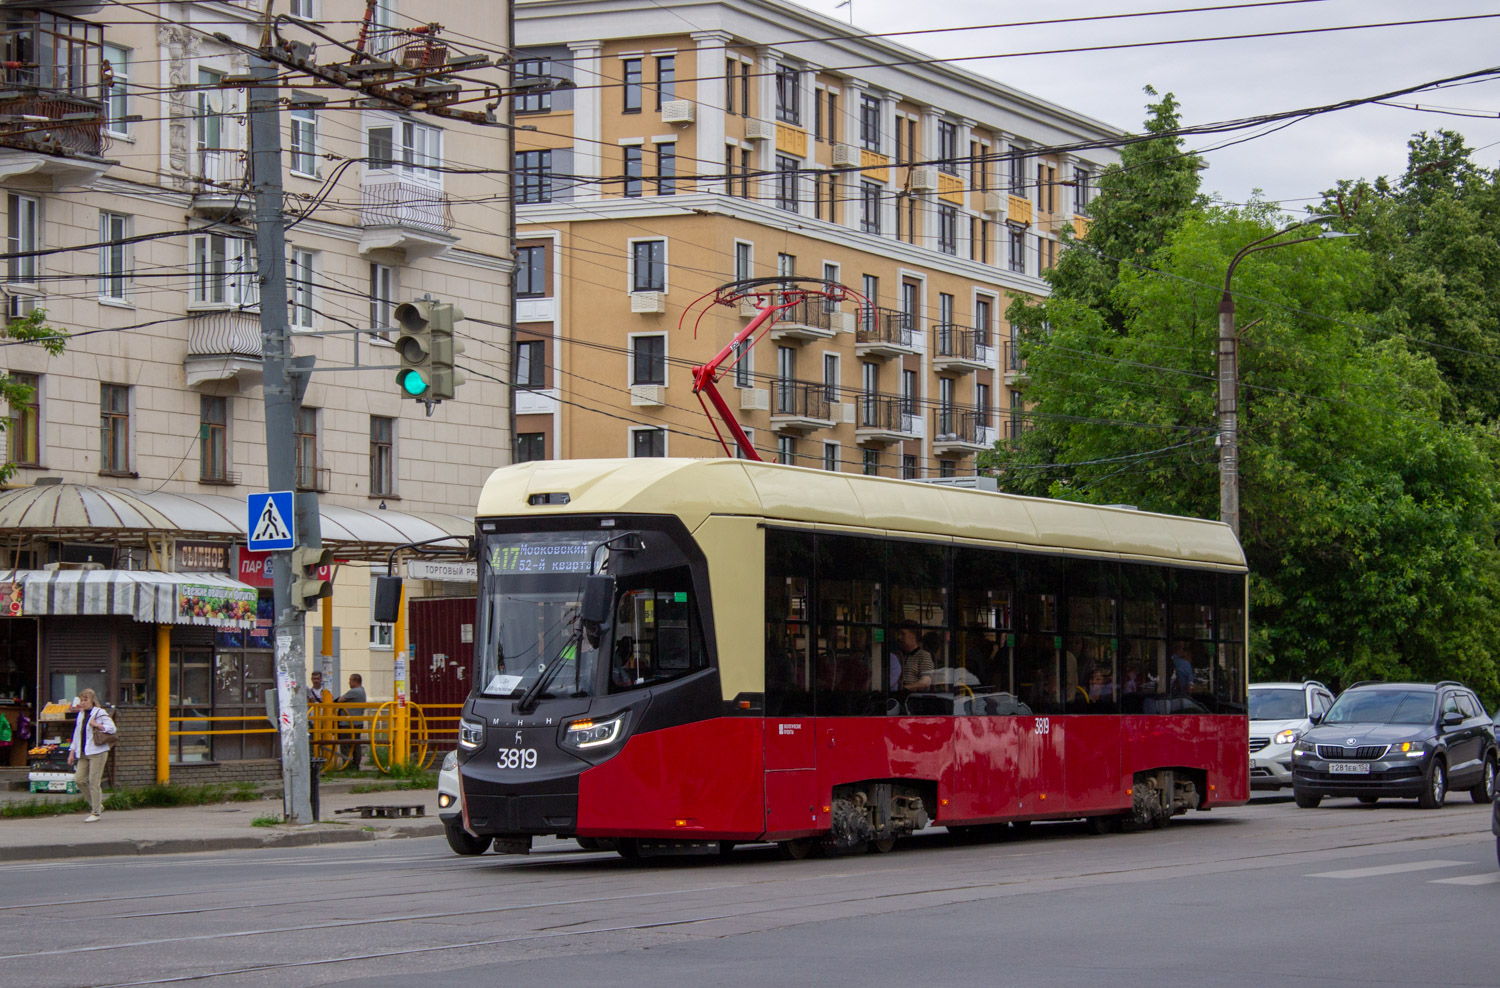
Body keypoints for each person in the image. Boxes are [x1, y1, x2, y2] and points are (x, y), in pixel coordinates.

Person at [68, 689, 115, 822]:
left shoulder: (99, 713)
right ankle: (97, 804)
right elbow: (77, 734)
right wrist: (72, 752)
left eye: (85, 700)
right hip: (83, 752)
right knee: (79, 779)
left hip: (97, 751)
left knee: (94, 781)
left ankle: (95, 812)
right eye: (81, 700)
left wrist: (98, 725)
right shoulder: (81, 714)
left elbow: (112, 728)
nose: (83, 703)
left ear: (92, 700)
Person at [338, 674, 367, 770]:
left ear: (355, 681)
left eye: (350, 680)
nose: (349, 682)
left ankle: (347, 764)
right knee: (356, 743)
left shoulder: (354, 691)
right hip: (358, 722)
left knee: (345, 744)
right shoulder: (362, 691)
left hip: (349, 723)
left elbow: (340, 700)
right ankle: (355, 764)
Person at [893, 622, 933, 692]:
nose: (899, 637)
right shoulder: (896, 655)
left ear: (914, 635)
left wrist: (904, 689)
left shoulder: (923, 656)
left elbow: (926, 682)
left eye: (903, 634)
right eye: (899, 634)